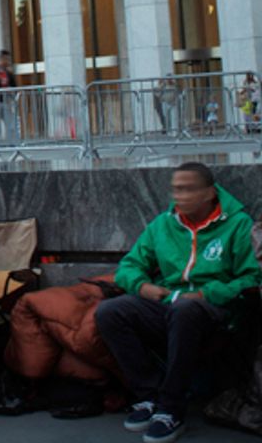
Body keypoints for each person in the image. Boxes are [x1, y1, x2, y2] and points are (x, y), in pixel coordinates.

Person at [95, 162, 261, 443]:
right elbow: (129, 266)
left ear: (210, 193)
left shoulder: (238, 224)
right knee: (111, 311)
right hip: (168, 302)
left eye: (187, 190)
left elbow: (252, 278)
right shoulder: (163, 225)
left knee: (186, 310)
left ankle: (171, 408)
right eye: (175, 190)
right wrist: (143, 286)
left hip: (217, 311)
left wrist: (208, 294)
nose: (179, 196)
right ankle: (148, 397)